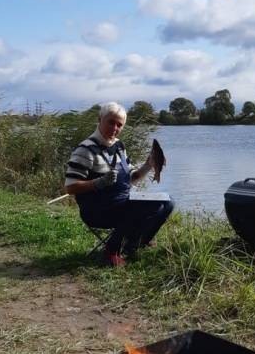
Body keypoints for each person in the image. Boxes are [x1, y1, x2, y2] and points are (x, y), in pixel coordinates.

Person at [64, 102, 174, 266]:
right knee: (151, 207)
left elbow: (131, 178)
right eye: (111, 122)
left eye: (119, 125)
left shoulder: (119, 146)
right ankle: (111, 251)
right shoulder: (85, 150)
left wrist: (149, 165)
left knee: (168, 203)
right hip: (97, 210)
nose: (115, 128)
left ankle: (137, 243)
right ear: (100, 119)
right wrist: (98, 183)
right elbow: (70, 187)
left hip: (121, 203)